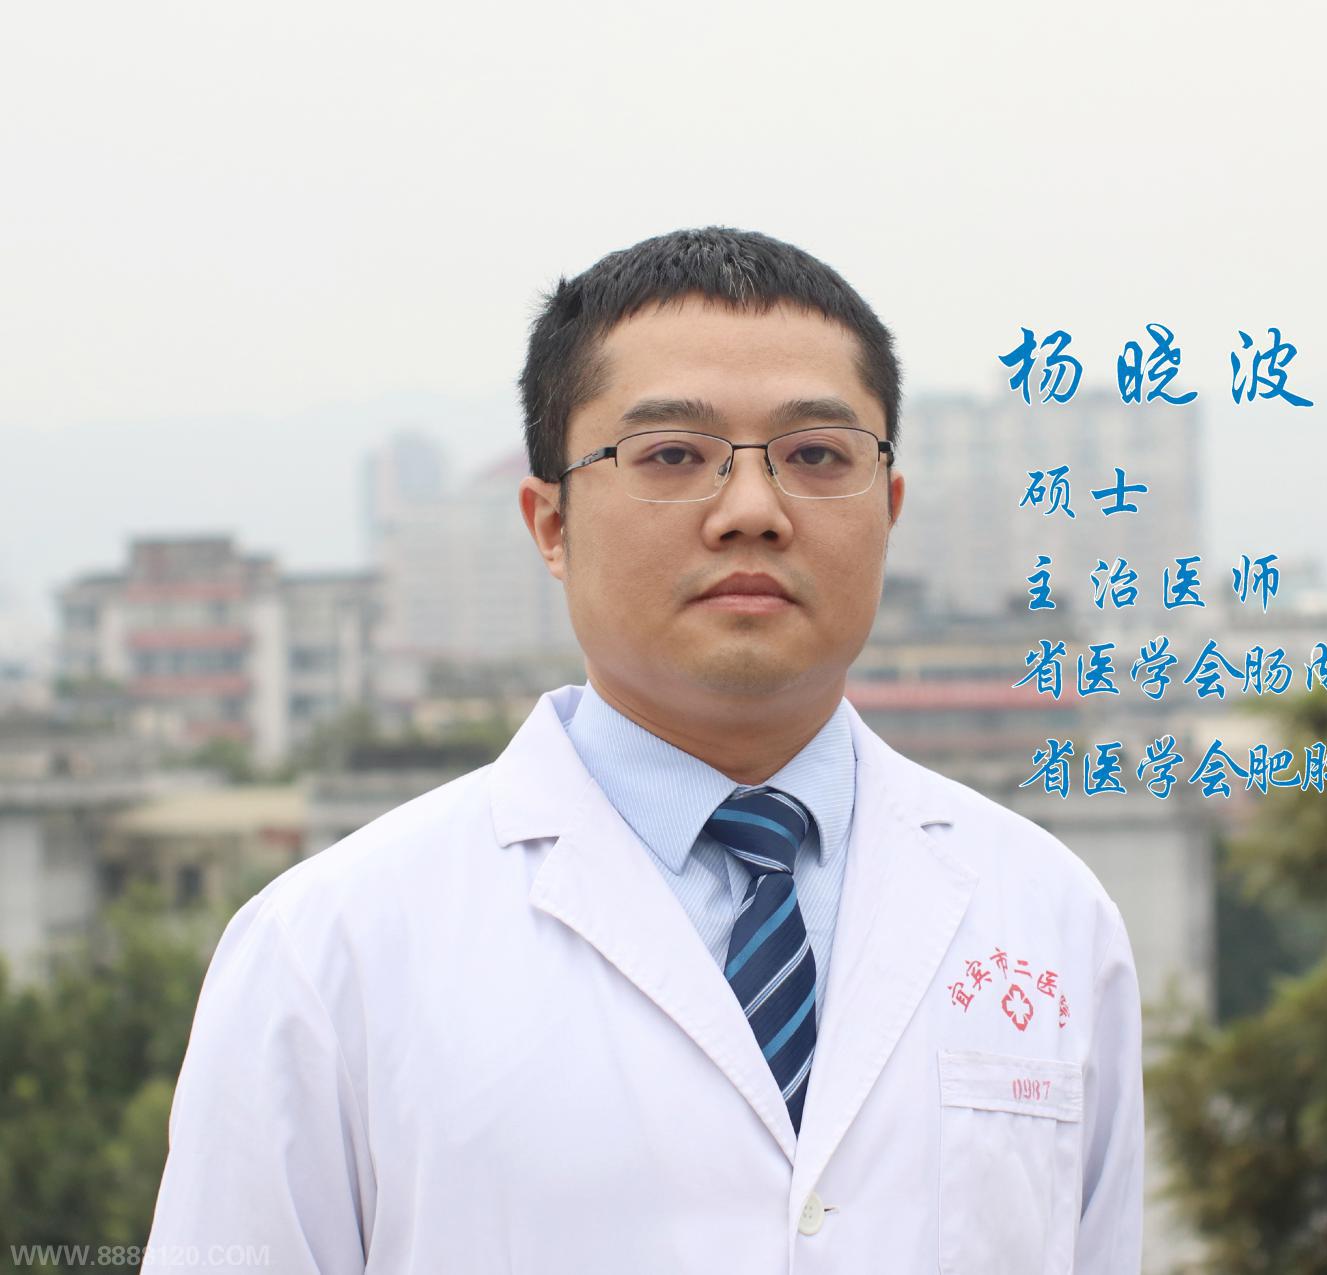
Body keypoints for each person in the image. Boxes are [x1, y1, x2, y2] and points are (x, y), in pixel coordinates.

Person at [141, 226, 1144, 1273]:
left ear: (887, 508)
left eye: (816, 455)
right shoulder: (328, 950)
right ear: (551, 523)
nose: (752, 511)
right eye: (671, 455)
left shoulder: (1048, 915)